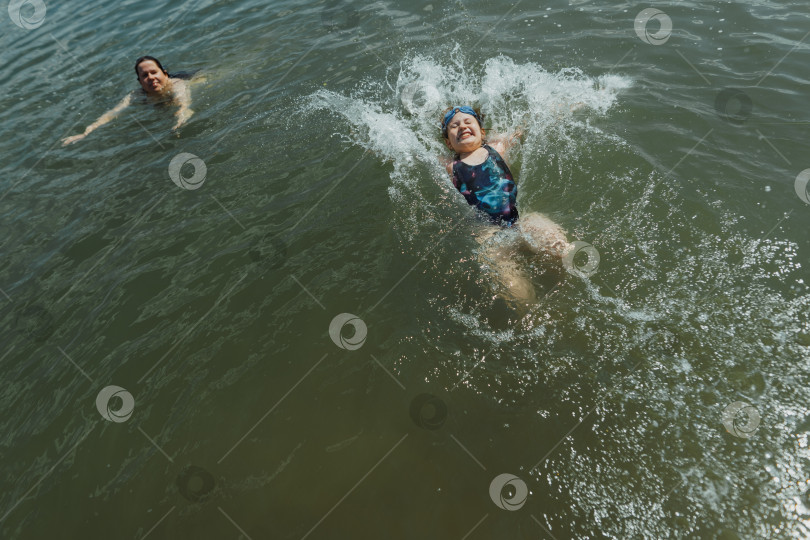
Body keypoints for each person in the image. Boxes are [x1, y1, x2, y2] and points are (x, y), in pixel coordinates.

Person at [440, 105, 572, 306]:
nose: (462, 126)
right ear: (449, 143)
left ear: (482, 132)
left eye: (468, 122)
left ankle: (565, 286)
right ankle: (529, 309)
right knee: (509, 282)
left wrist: (561, 109)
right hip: (489, 233)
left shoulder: (498, 147)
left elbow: (524, 126)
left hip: (520, 221)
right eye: (454, 126)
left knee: (558, 245)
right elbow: (413, 156)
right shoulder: (449, 166)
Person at [61, 56, 195, 145]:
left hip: (192, 77)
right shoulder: (136, 95)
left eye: (154, 72)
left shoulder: (178, 84)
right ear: (140, 82)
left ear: (164, 73)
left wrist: (180, 119)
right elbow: (112, 113)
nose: (151, 77)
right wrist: (86, 132)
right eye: (144, 75)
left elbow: (184, 105)